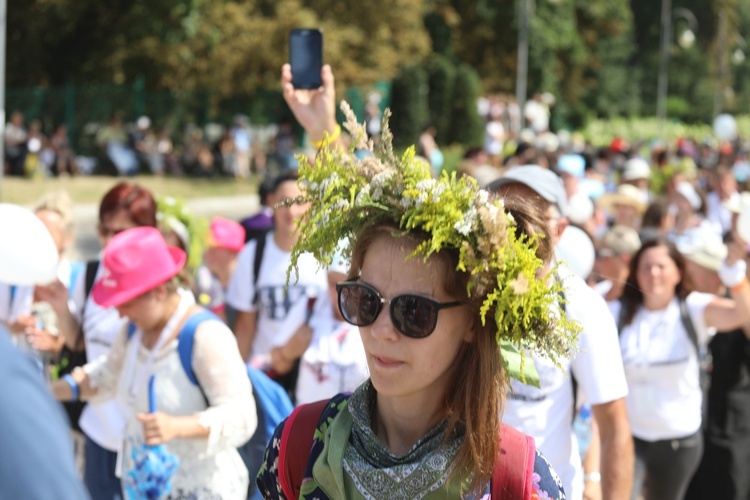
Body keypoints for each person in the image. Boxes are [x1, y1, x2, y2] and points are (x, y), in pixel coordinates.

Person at [258, 68, 575, 498]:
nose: (381, 330)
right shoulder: (297, 444)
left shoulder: (514, 478)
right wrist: (322, 130)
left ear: (470, 321)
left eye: (414, 311)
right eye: (365, 301)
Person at [51, 226, 257, 498]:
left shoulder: (206, 336)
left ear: (158, 291)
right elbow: (108, 375)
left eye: (126, 301)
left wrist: (176, 427)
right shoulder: (134, 331)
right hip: (146, 487)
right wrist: (50, 390)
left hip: (200, 489)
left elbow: (242, 417)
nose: (120, 313)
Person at [487, 166, 633, 500]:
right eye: (504, 213)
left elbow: (614, 428)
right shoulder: (466, 294)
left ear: (560, 229)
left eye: (529, 216)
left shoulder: (582, 307)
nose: (513, 226)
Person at [35, 182, 158, 500]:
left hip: (146, 440)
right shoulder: (92, 273)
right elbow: (81, 344)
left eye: (120, 232)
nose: (109, 242)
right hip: (98, 432)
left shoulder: (159, 287)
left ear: (146, 232)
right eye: (104, 231)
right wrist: (62, 306)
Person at [608, 236, 750, 500]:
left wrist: (736, 279)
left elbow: (743, 316)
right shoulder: (618, 312)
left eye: (661, 266)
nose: (653, 273)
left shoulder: (692, 308)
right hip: (631, 437)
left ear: (678, 272)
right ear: (635, 273)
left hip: (678, 440)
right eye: (646, 266)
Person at [0, 203, 88, 499]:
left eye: (49, 229)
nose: (39, 236)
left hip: (59, 389)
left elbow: (82, 341)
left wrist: (58, 343)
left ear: (66, 237)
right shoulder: (15, 276)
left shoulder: (75, 277)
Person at [226, 170, 329, 373]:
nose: (292, 212)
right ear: (271, 202)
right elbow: (245, 324)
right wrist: (239, 375)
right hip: (267, 371)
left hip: (315, 375)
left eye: (300, 202)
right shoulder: (253, 253)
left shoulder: (328, 253)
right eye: (285, 202)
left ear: (312, 205)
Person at [195, 216, 246, 327]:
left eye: (213, 248)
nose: (207, 253)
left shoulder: (247, 284)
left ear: (232, 253)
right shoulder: (202, 281)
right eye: (206, 247)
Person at [592, 225, 642, 302]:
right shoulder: (598, 291)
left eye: (601, 254)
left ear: (624, 259)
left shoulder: (637, 302)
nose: (596, 260)